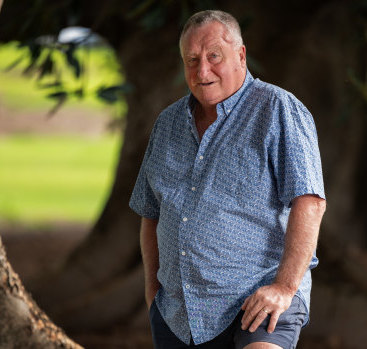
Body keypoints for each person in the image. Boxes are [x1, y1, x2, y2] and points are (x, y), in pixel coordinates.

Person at [129, 10, 327, 349]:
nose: (202, 70)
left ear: (241, 55)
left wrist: (284, 288)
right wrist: (153, 295)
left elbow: (309, 202)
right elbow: (151, 212)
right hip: (179, 314)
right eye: (192, 60)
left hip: (258, 300)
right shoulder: (167, 124)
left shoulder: (278, 109)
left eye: (213, 56)